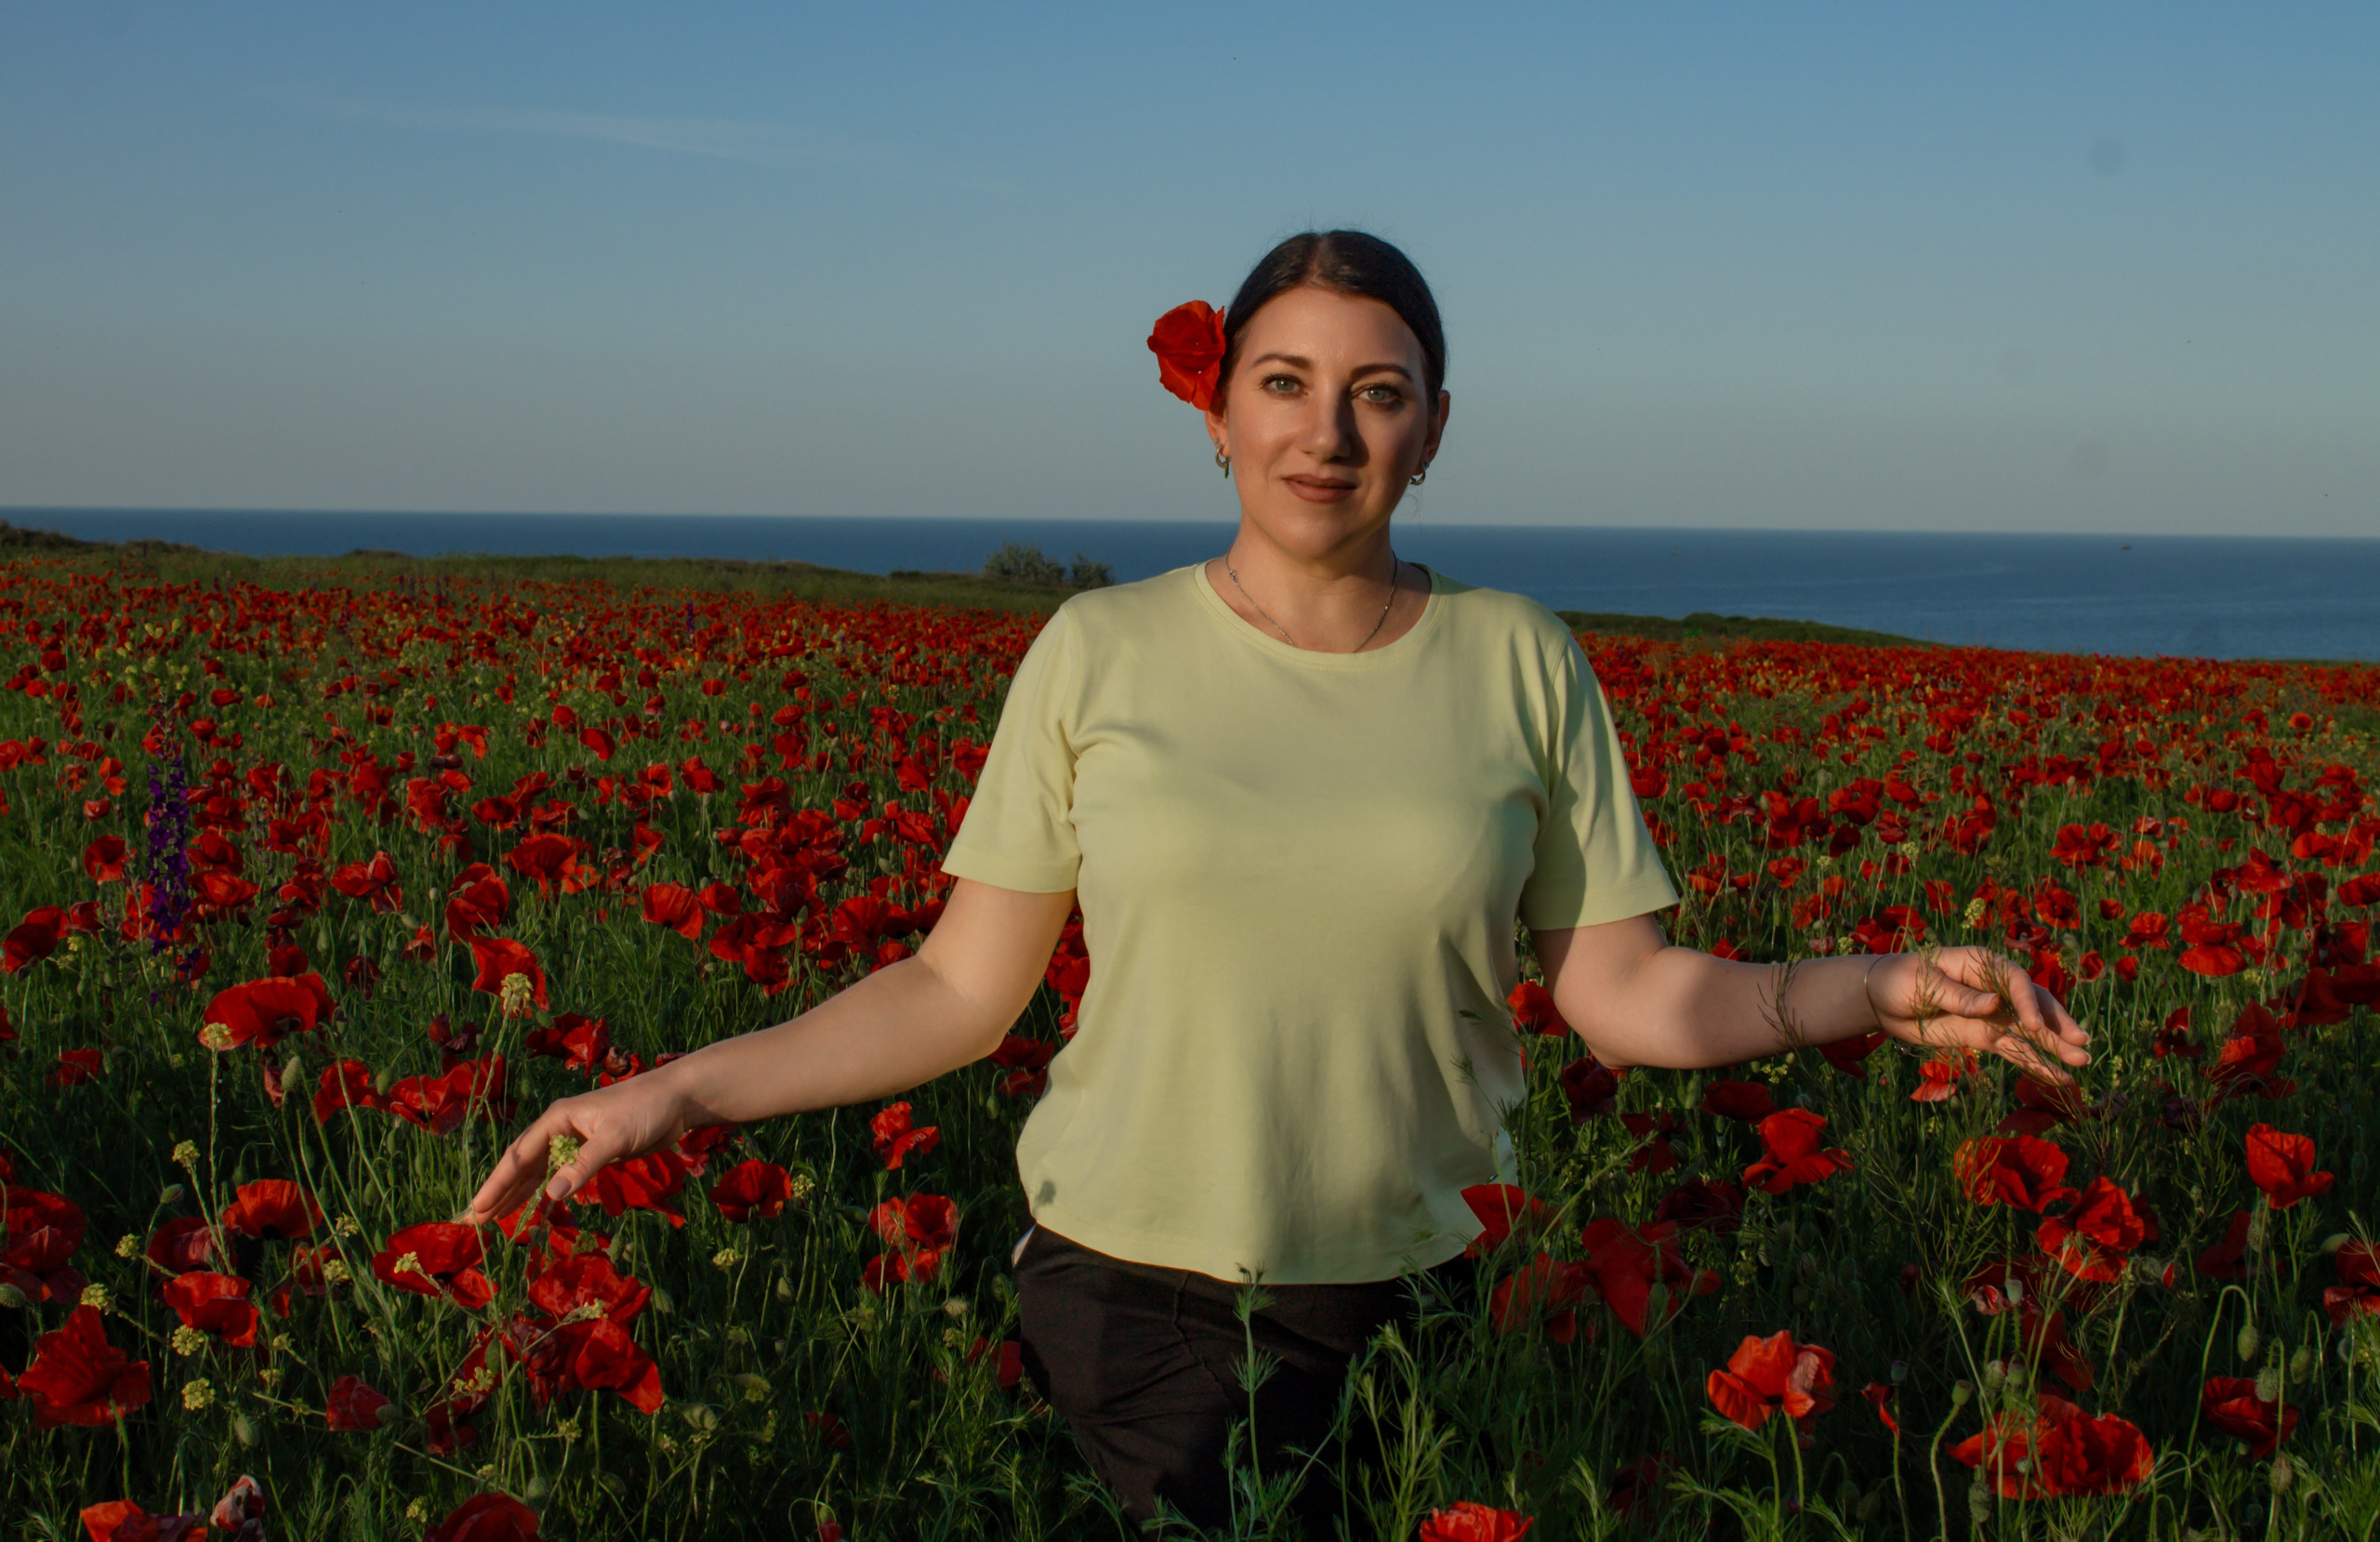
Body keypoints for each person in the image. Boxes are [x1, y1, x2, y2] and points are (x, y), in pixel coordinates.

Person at [467, 229, 2090, 1535]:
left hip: (1435, 1308)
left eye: (1378, 394)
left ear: (1434, 431)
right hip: (1133, 1311)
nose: (1328, 432)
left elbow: (1627, 991)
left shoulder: (1520, 660)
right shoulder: (1096, 652)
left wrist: (1876, 993)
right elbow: (962, 989)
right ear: (1220, 412)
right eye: (1286, 383)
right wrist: (675, 1095)